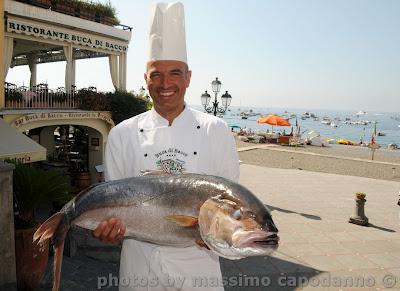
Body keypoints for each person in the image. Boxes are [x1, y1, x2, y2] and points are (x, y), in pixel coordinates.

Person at [93, 2, 239, 290]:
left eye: (174, 72)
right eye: (155, 74)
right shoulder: (122, 134)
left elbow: (230, 208)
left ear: (188, 78)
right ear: (145, 79)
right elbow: (115, 206)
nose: (165, 83)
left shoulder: (217, 131)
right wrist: (109, 230)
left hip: (199, 271)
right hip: (140, 270)